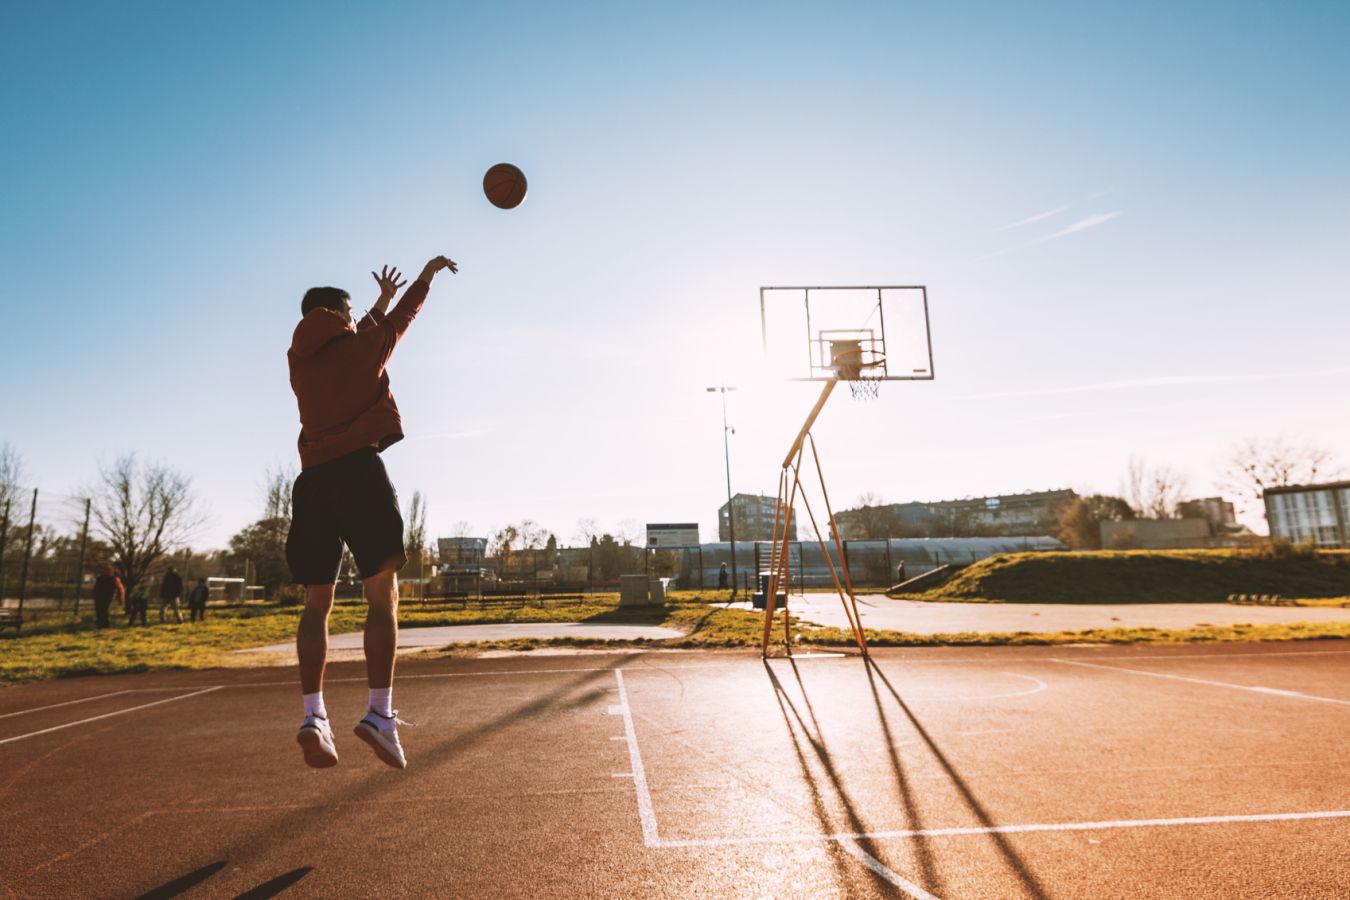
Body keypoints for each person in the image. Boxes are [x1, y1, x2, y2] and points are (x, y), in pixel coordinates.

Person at [286, 255, 457, 770]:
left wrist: (372, 307)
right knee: (383, 598)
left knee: (317, 605)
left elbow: (362, 329)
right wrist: (423, 278)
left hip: (313, 482)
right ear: (341, 315)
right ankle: (379, 714)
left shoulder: (298, 359)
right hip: (359, 473)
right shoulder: (364, 349)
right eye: (351, 312)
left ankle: (313, 716)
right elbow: (398, 322)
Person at [92, 564, 124, 629]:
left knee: (104, 610)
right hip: (100, 596)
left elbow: (120, 589)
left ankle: (104, 624)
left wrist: (120, 598)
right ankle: (101, 624)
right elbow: (95, 588)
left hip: (107, 596)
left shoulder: (113, 579)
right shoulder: (101, 578)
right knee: (100, 610)